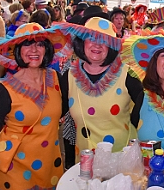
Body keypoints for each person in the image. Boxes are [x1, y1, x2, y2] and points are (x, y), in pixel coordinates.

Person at [0, 22, 71, 190]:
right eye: (27, 44)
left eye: (40, 44)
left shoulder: (57, 79)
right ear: (18, 50)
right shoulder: (5, 90)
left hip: (50, 167)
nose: (34, 50)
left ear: (46, 49)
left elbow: (62, 112)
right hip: (13, 169)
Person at [58, 17, 143, 165]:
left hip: (122, 161)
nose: (97, 45)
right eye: (91, 38)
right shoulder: (69, 76)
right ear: (82, 42)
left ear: (111, 46)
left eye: (104, 40)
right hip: (85, 163)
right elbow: (57, 111)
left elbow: (146, 106)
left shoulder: (127, 74)